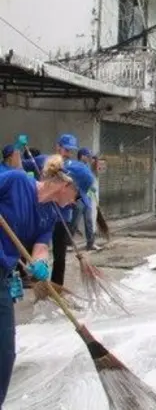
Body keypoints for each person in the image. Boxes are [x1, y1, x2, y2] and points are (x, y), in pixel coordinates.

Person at [0, 157, 95, 405]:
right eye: (77, 196)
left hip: (2, 276)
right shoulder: (17, 181)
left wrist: (41, 263)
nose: (75, 203)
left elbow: (41, 246)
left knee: (5, 354)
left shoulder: (50, 214)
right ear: (67, 185)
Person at [22, 134, 80, 286]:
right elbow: (21, 166)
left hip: (61, 217)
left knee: (58, 254)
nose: (68, 153)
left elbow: (42, 244)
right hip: (39, 210)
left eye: (71, 151)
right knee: (26, 246)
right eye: (66, 149)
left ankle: (55, 286)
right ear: (58, 147)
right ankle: (26, 277)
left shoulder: (72, 168)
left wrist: (41, 261)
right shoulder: (41, 161)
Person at [69, 147, 98, 251]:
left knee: (89, 221)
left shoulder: (87, 167)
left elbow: (89, 182)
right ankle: (68, 244)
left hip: (87, 198)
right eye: (88, 156)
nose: (90, 158)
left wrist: (91, 190)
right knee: (74, 222)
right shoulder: (75, 167)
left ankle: (90, 244)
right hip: (79, 198)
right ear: (82, 156)